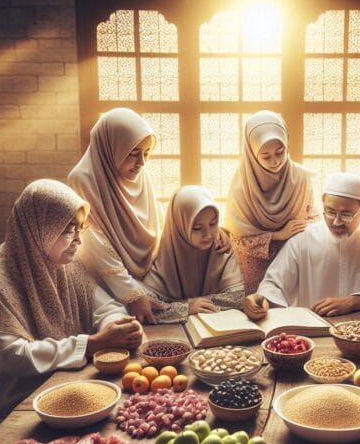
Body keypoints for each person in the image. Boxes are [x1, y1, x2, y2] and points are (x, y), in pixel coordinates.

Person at [0, 180, 143, 444]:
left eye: (78, 229)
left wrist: (114, 327)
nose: (78, 241)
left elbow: (106, 306)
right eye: (67, 231)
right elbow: (15, 356)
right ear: (39, 229)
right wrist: (93, 344)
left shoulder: (65, 265)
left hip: (51, 401)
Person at [69, 108, 229, 324]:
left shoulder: (139, 176)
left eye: (146, 153)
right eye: (133, 153)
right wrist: (133, 294)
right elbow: (95, 248)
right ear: (111, 148)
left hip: (148, 277)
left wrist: (211, 229)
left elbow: (163, 226)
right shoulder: (83, 180)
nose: (142, 163)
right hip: (107, 283)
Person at [243, 172, 360, 319]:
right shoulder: (303, 240)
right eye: (330, 211)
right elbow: (274, 283)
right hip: (312, 330)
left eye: (346, 214)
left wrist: (354, 301)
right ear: (323, 202)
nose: (336, 221)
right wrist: (261, 299)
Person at [224, 110, 320, 294]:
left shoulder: (301, 177)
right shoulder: (241, 185)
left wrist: (303, 228)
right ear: (252, 153)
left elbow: (315, 217)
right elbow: (237, 238)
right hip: (254, 267)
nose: (275, 161)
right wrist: (277, 235)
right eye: (266, 156)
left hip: (293, 261)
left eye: (280, 152)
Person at [139, 185, 245, 323]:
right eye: (197, 228)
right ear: (180, 227)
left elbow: (238, 298)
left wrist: (188, 306)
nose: (208, 234)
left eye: (213, 224)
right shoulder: (166, 258)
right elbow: (146, 308)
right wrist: (187, 307)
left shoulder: (221, 248)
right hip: (176, 335)